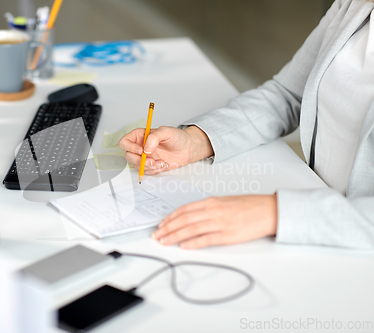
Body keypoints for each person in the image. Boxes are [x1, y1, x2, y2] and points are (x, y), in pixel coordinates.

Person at [119, 0, 374, 250]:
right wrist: (197, 141)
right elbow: (287, 94)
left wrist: (274, 213)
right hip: (314, 206)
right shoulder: (352, 6)